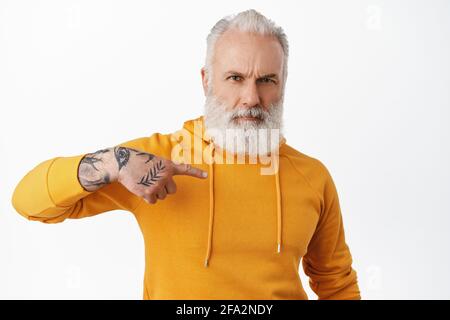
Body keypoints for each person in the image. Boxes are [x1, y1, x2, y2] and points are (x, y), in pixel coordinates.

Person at [12, 9, 361, 300]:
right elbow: (29, 203)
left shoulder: (312, 177)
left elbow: (337, 284)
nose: (252, 98)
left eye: (267, 80)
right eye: (235, 77)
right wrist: (114, 161)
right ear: (206, 80)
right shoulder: (153, 161)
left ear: (284, 82)